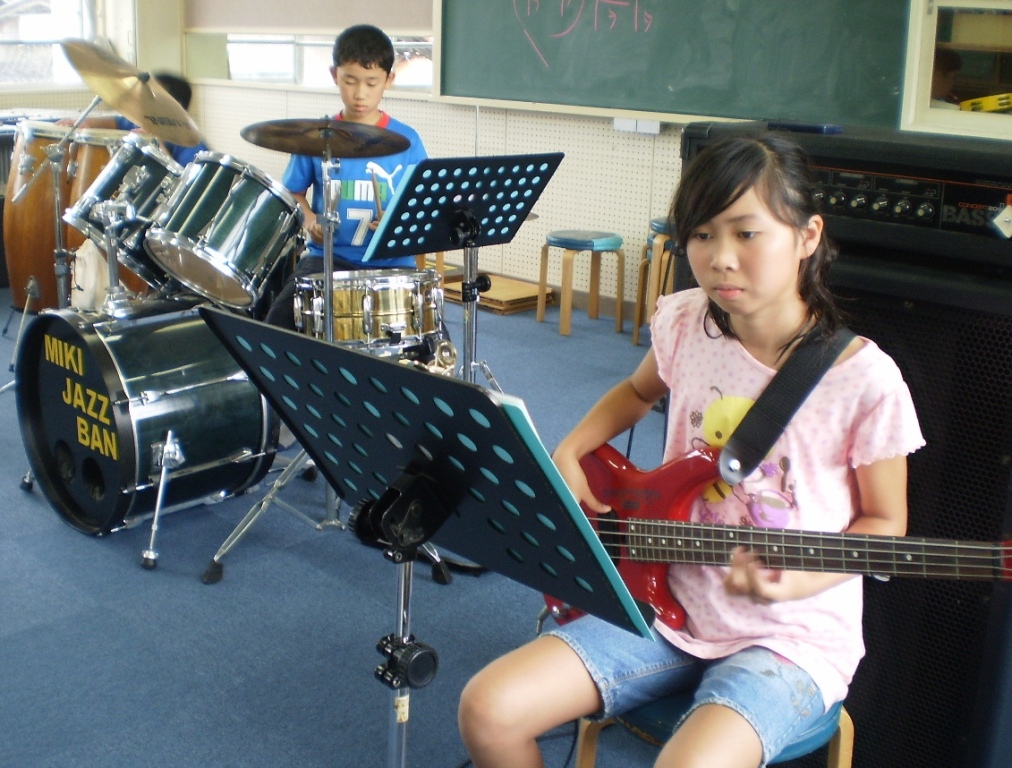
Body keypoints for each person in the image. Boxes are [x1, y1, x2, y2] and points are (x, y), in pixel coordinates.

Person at [457, 133, 925, 768]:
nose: (720, 258)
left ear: (807, 236)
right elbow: (637, 390)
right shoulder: (686, 321)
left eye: (746, 233)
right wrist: (572, 446)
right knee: (488, 710)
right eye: (701, 235)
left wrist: (798, 580)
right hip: (666, 602)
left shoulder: (864, 381)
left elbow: (885, 523)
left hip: (790, 637)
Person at [264, 24, 428, 331]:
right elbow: (293, 192)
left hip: (391, 262)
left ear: (389, 80)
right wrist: (309, 219)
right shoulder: (316, 137)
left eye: (371, 82)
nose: (360, 93)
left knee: (427, 337)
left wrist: (398, 221)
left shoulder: (408, 141)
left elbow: (423, 202)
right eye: (350, 81)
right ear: (334, 75)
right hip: (328, 258)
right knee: (278, 321)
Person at [59, 71, 210, 164]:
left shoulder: (194, 148)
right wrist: (79, 123)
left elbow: (186, 190)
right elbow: (114, 122)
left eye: (152, 96)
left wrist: (157, 148)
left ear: (175, 106)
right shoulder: (145, 122)